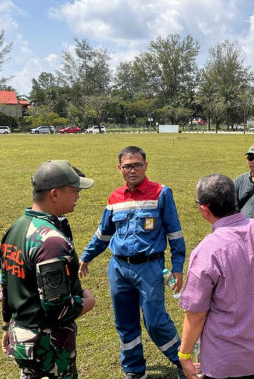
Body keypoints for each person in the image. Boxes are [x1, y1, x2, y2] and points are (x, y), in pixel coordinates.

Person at [79, 146, 186, 379]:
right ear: (120, 169)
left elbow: (175, 234)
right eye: (127, 166)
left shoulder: (161, 193)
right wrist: (86, 257)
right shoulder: (114, 198)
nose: (133, 170)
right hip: (118, 268)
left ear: (146, 166)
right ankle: (134, 370)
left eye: (137, 164)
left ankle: (186, 363)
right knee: (125, 323)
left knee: (156, 322)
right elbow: (103, 234)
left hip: (150, 267)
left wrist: (177, 268)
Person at [178, 174, 254, 379]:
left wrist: (184, 354)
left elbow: (196, 314)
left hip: (225, 362)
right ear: (234, 198)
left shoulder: (206, 251)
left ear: (204, 209)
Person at [0, 160, 96, 379]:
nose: (78, 195)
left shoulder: (16, 229)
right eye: (73, 191)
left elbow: (7, 284)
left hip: (23, 337)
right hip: (47, 346)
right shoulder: (50, 241)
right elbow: (57, 309)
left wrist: (7, 327)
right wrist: (86, 302)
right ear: (54, 194)